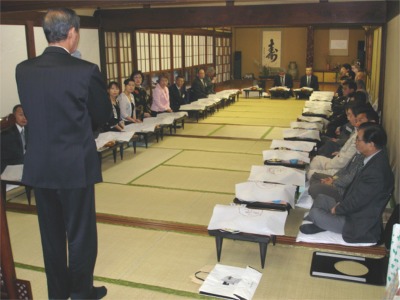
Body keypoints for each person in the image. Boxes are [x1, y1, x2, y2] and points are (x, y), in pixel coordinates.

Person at [15, 8, 111, 299]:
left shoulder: (24, 69)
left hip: (41, 166)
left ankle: (57, 294)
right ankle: (81, 293)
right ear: (72, 33)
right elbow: (103, 114)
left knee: (51, 236)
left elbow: (35, 111)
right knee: (80, 236)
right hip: (75, 167)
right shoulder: (85, 70)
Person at [301, 123, 394, 244]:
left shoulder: (376, 173)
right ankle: (323, 223)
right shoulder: (373, 157)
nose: (355, 142)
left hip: (357, 222)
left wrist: (338, 209)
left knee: (315, 213)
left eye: (358, 139)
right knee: (321, 198)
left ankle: (322, 222)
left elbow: (357, 202)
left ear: (371, 144)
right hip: (351, 209)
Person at [308, 103, 378, 178]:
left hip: (342, 170)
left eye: (360, 120)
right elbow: (347, 152)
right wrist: (340, 153)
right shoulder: (358, 132)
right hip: (341, 162)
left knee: (310, 173)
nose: (357, 123)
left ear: (372, 122)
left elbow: (346, 160)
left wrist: (328, 165)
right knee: (316, 160)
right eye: (357, 120)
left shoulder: (364, 139)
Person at [0, 105, 28, 173]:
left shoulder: (33, 132)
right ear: (14, 116)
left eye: (26, 115)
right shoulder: (5, 134)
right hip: (10, 172)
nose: (24, 118)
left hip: (29, 171)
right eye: (21, 115)